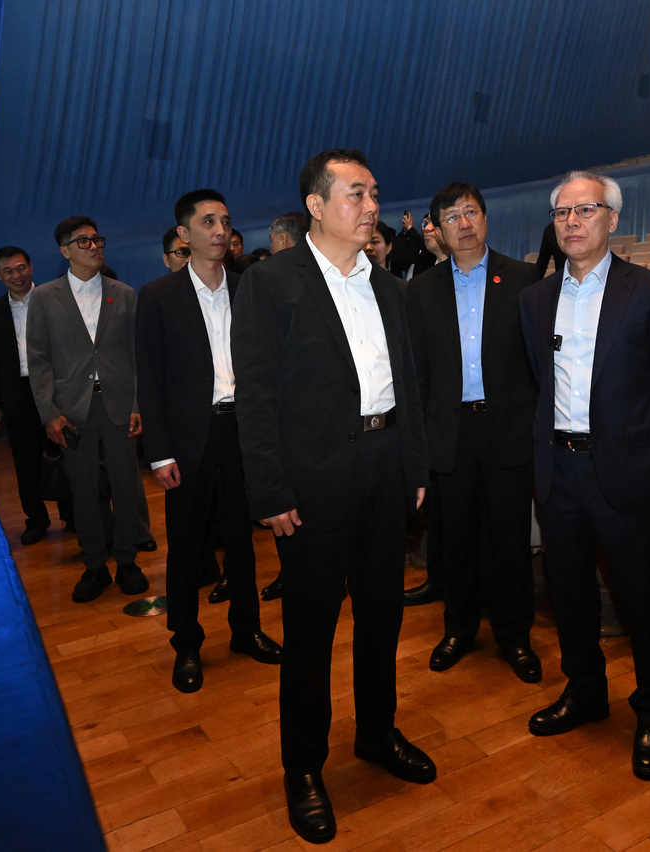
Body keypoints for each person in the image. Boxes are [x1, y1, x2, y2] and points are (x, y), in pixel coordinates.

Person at [232, 149, 433, 845]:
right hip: (311, 480)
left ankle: (376, 732)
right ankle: (304, 767)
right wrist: (269, 487)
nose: (371, 206)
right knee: (311, 633)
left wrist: (414, 465)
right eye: (356, 194)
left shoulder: (388, 287)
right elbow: (256, 396)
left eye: (374, 193)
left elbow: (407, 384)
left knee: (382, 617)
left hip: (385, 466)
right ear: (316, 206)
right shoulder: (270, 283)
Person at [518, 171, 650, 782]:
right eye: (562, 212)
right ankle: (585, 691)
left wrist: (630, 435)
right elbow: (540, 378)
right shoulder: (535, 300)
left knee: (644, 600)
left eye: (585, 209)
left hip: (626, 469)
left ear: (613, 219)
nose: (571, 221)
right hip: (559, 469)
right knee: (569, 592)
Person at [136, 189, 283, 694]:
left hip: (243, 431)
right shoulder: (158, 296)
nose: (220, 231)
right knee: (186, 547)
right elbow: (150, 379)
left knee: (243, 542)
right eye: (207, 222)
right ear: (184, 233)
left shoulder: (248, 288)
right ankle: (187, 643)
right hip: (189, 439)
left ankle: (247, 630)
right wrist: (159, 452)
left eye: (225, 221)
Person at [406, 181, 541, 683]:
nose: (463, 224)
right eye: (452, 217)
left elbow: (538, 364)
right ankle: (459, 629)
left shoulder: (525, 279)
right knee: (455, 538)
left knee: (510, 539)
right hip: (450, 431)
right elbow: (417, 374)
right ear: (437, 231)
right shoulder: (421, 290)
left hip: (507, 428)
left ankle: (515, 635)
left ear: (485, 218)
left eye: (471, 212)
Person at [27, 217, 149, 603]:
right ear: (64, 251)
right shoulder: (44, 297)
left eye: (97, 239)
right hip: (71, 410)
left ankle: (127, 560)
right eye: (83, 242)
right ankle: (95, 564)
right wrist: (49, 413)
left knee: (125, 487)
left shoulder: (124, 293)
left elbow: (137, 354)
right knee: (82, 490)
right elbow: (38, 360)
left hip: (118, 405)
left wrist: (137, 404)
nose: (94, 246)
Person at [0, 247, 54, 544]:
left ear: (31, 267)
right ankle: (36, 520)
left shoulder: (53, 299)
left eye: (21, 268)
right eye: (8, 271)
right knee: (25, 462)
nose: (16, 275)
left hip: (56, 392)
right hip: (17, 395)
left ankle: (73, 515)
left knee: (65, 455)